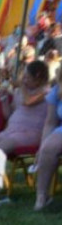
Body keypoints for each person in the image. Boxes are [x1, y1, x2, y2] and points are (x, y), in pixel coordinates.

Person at [0, 60, 50, 154]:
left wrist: (22, 86)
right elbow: (8, 115)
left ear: (38, 78)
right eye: (23, 77)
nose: (24, 80)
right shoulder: (20, 92)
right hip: (11, 131)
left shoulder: (46, 92)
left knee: (3, 146)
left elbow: (28, 101)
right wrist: (4, 100)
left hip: (30, 133)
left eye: (27, 78)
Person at [34, 68, 62, 211]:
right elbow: (50, 122)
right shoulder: (57, 89)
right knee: (48, 148)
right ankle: (42, 196)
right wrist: (42, 146)